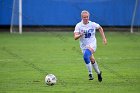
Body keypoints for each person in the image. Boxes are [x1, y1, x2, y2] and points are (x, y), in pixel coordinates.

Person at [74, 10, 107, 82]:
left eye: (87, 17)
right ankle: (98, 73)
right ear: (81, 17)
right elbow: (75, 37)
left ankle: (90, 74)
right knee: (91, 59)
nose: (86, 18)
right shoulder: (78, 25)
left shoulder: (93, 24)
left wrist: (104, 38)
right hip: (83, 46)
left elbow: (100, 28)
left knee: (86, 56)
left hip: (92, 44)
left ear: (89, 17)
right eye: (84, 17)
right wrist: (80, 35)